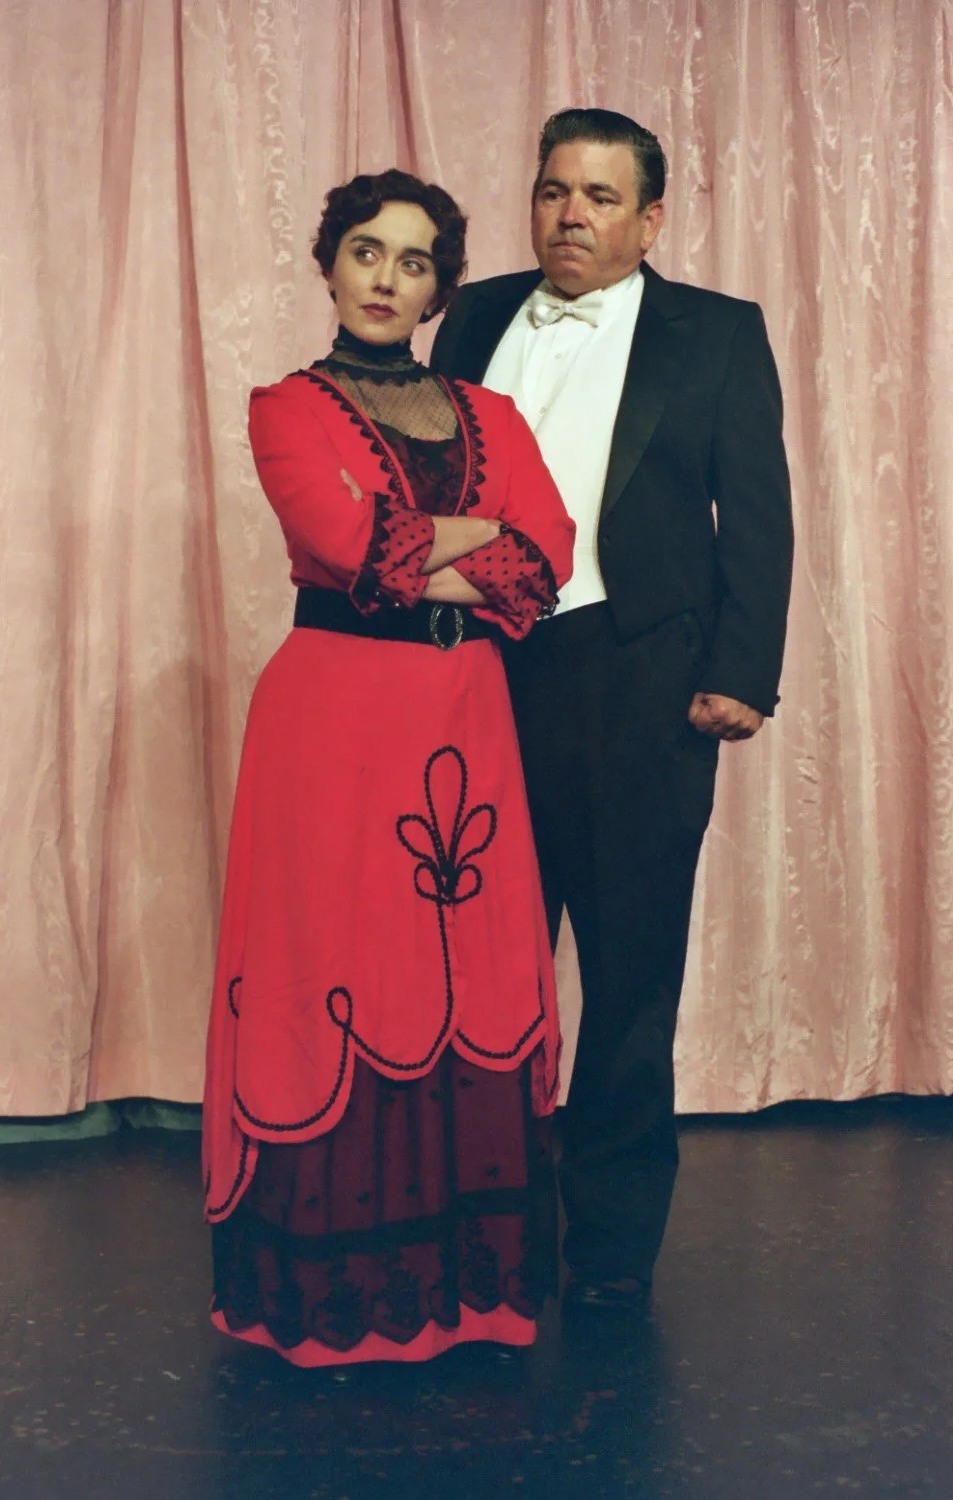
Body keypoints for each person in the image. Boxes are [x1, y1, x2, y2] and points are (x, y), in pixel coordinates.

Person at [202, 169, 576, 1367]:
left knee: (465, 966)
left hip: (466, 715)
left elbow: (549, 555)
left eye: (414, 262)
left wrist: (411, 548)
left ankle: (468, 1292)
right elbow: (339, 539)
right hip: (332, 720)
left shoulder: (494, 415)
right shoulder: (285, 407)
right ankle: (341, 1292)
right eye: (367, 251)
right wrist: (463, 541)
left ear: (437, 287)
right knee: (338, 965)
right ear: (328, 264)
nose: (386, 278)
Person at [431, 108, 793, 1312]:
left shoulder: (719, 334)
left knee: (630, 979)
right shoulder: (473, 314)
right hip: (480, 676)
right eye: (551, 191)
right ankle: (479, 1221)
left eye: (596, 196)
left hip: (641, 683)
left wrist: (742, 669)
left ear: (648, 218)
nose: (568, 215)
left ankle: (611, 1251)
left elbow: (757, 512)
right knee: (478, 972)